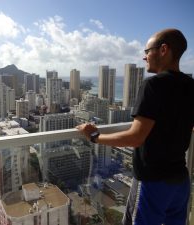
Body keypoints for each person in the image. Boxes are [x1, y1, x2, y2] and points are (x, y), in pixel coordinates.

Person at [77, 28, 194, 225]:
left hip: (154, 182)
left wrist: (95, 136)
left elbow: (135, 137)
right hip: (180, 180)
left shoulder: (153, 85)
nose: (144, 57)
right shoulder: (191, 85)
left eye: (148, 51)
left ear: (163, 49)